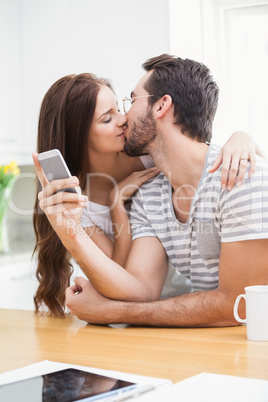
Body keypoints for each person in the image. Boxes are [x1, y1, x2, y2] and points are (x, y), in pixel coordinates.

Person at [33, 57, 266, 325]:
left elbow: (238, 307)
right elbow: (137, 289)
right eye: (109, 117)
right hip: (184, 326)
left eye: (130, 102)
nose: (124, 117)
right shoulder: (149, 191)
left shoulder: (238, 175)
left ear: (161, 105)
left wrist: (242, 137)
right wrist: (71, 232)